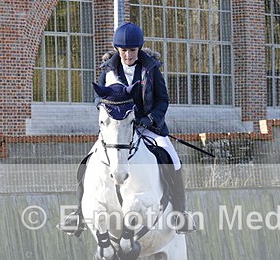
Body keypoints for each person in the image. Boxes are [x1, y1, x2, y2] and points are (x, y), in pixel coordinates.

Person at [59, 22, 194, 235]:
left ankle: (180, 212)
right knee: (87, 161)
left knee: (172, 158)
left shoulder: (151, 69)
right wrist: (103, 106)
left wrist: (150, 119)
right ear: (117, 50)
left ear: (138, 49)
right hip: (117, 129)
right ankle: (78, 214)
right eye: (124, 51)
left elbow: (162, 100)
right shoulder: (108, 70)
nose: (128, 55)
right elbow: (98, 97)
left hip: (147, 127)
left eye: (132, 50)